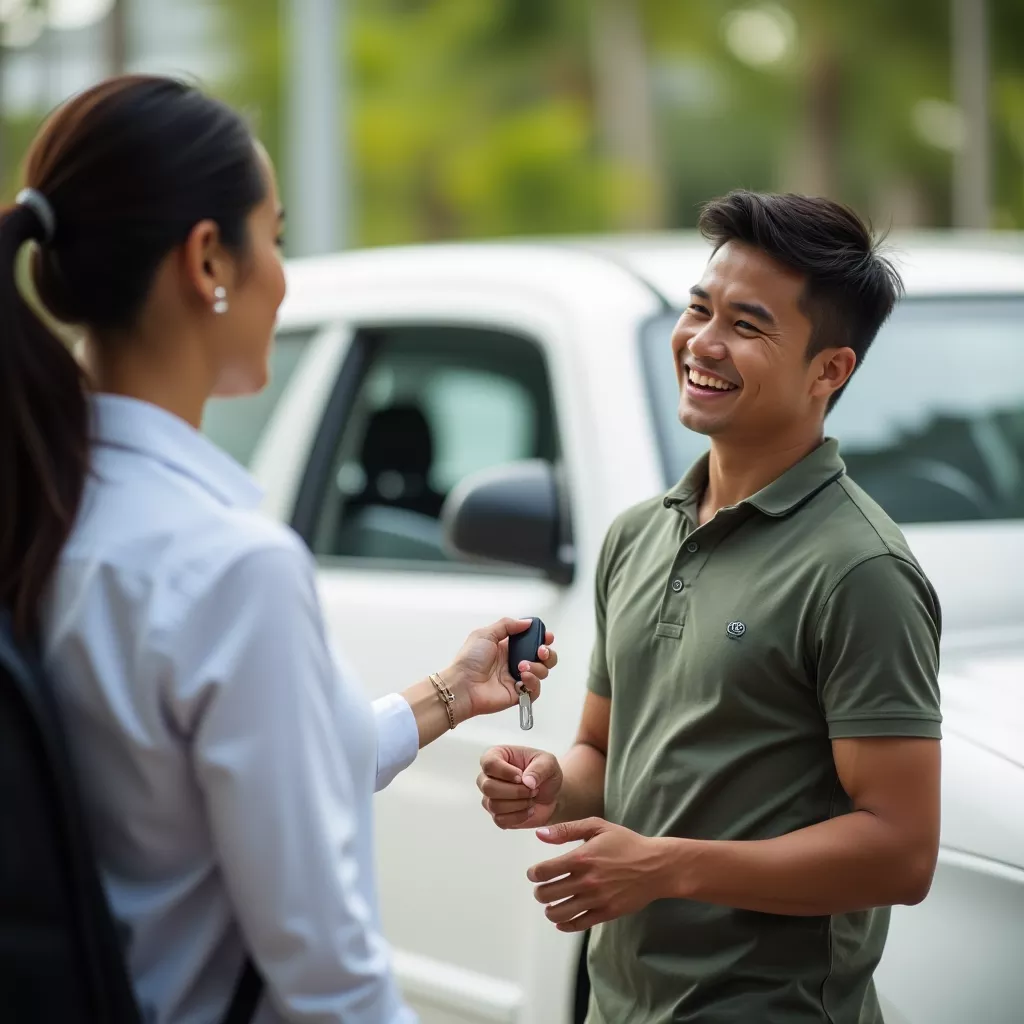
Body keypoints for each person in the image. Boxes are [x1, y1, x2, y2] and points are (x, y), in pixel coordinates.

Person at [0, 74, 557, 1024]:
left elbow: (173, 789)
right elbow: (329, 978)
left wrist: (448, 696)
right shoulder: (227, 566)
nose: (285, 273)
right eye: (277, 237)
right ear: (208, 259)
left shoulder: (44, 508)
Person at [478, 191, 942, 1023]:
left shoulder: (860, 569)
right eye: (699, 308)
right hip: (620, 1006)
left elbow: (900, 853)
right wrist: (553, 785)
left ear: (829, 370)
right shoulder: (635, 537)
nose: (703, 343)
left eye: (748, 325)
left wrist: (665, 867)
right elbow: (601, 750)